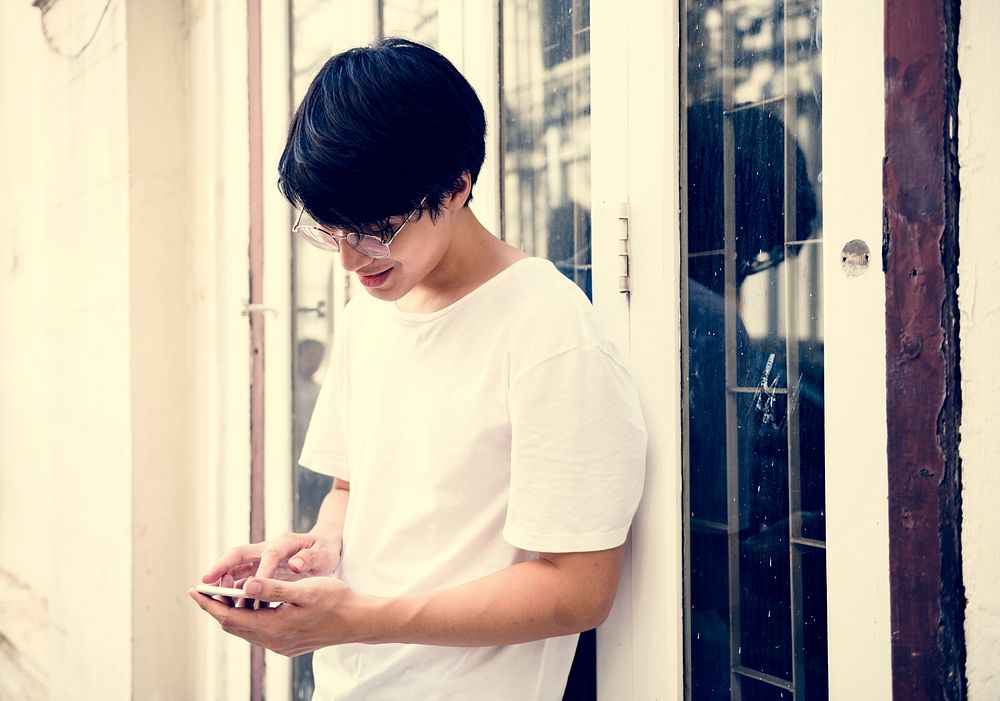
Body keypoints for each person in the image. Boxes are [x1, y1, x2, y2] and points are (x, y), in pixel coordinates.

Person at [189, 37, 646, 701]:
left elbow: (579, 589)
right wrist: (317, 547)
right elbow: (353, 488)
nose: (350, 259)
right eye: (330, 231)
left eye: (375, 229)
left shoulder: (550, 330)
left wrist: (360, 620)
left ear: (457, 187)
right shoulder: (368, 312)